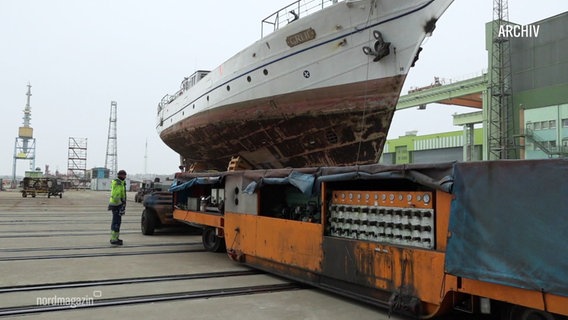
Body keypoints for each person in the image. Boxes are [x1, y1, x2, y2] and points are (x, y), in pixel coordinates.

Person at [108, 170, 127, 245]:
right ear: (122, 175)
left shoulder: (121, 182)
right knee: (116, 222)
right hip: (117, 205)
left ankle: (115, 238)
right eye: (125, 175)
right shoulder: (118, 183)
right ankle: (114, 239)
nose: (125, 177)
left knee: (117, 222)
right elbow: (116, 195)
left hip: (117, 204)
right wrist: (121, 204)